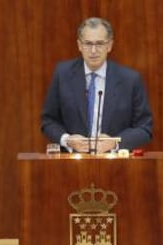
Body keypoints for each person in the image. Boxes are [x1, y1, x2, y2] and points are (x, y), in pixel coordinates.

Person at [41, 17, 152, 153]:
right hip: (71, 164)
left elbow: (145, 128)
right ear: (79, 45)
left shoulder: (130, 79)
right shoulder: (62, 74)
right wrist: (67, 139)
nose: (93, 51)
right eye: (88, 44)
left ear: (109, 45)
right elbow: (48, 121)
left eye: (99, 44)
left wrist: (115, 142)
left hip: (116, 165)